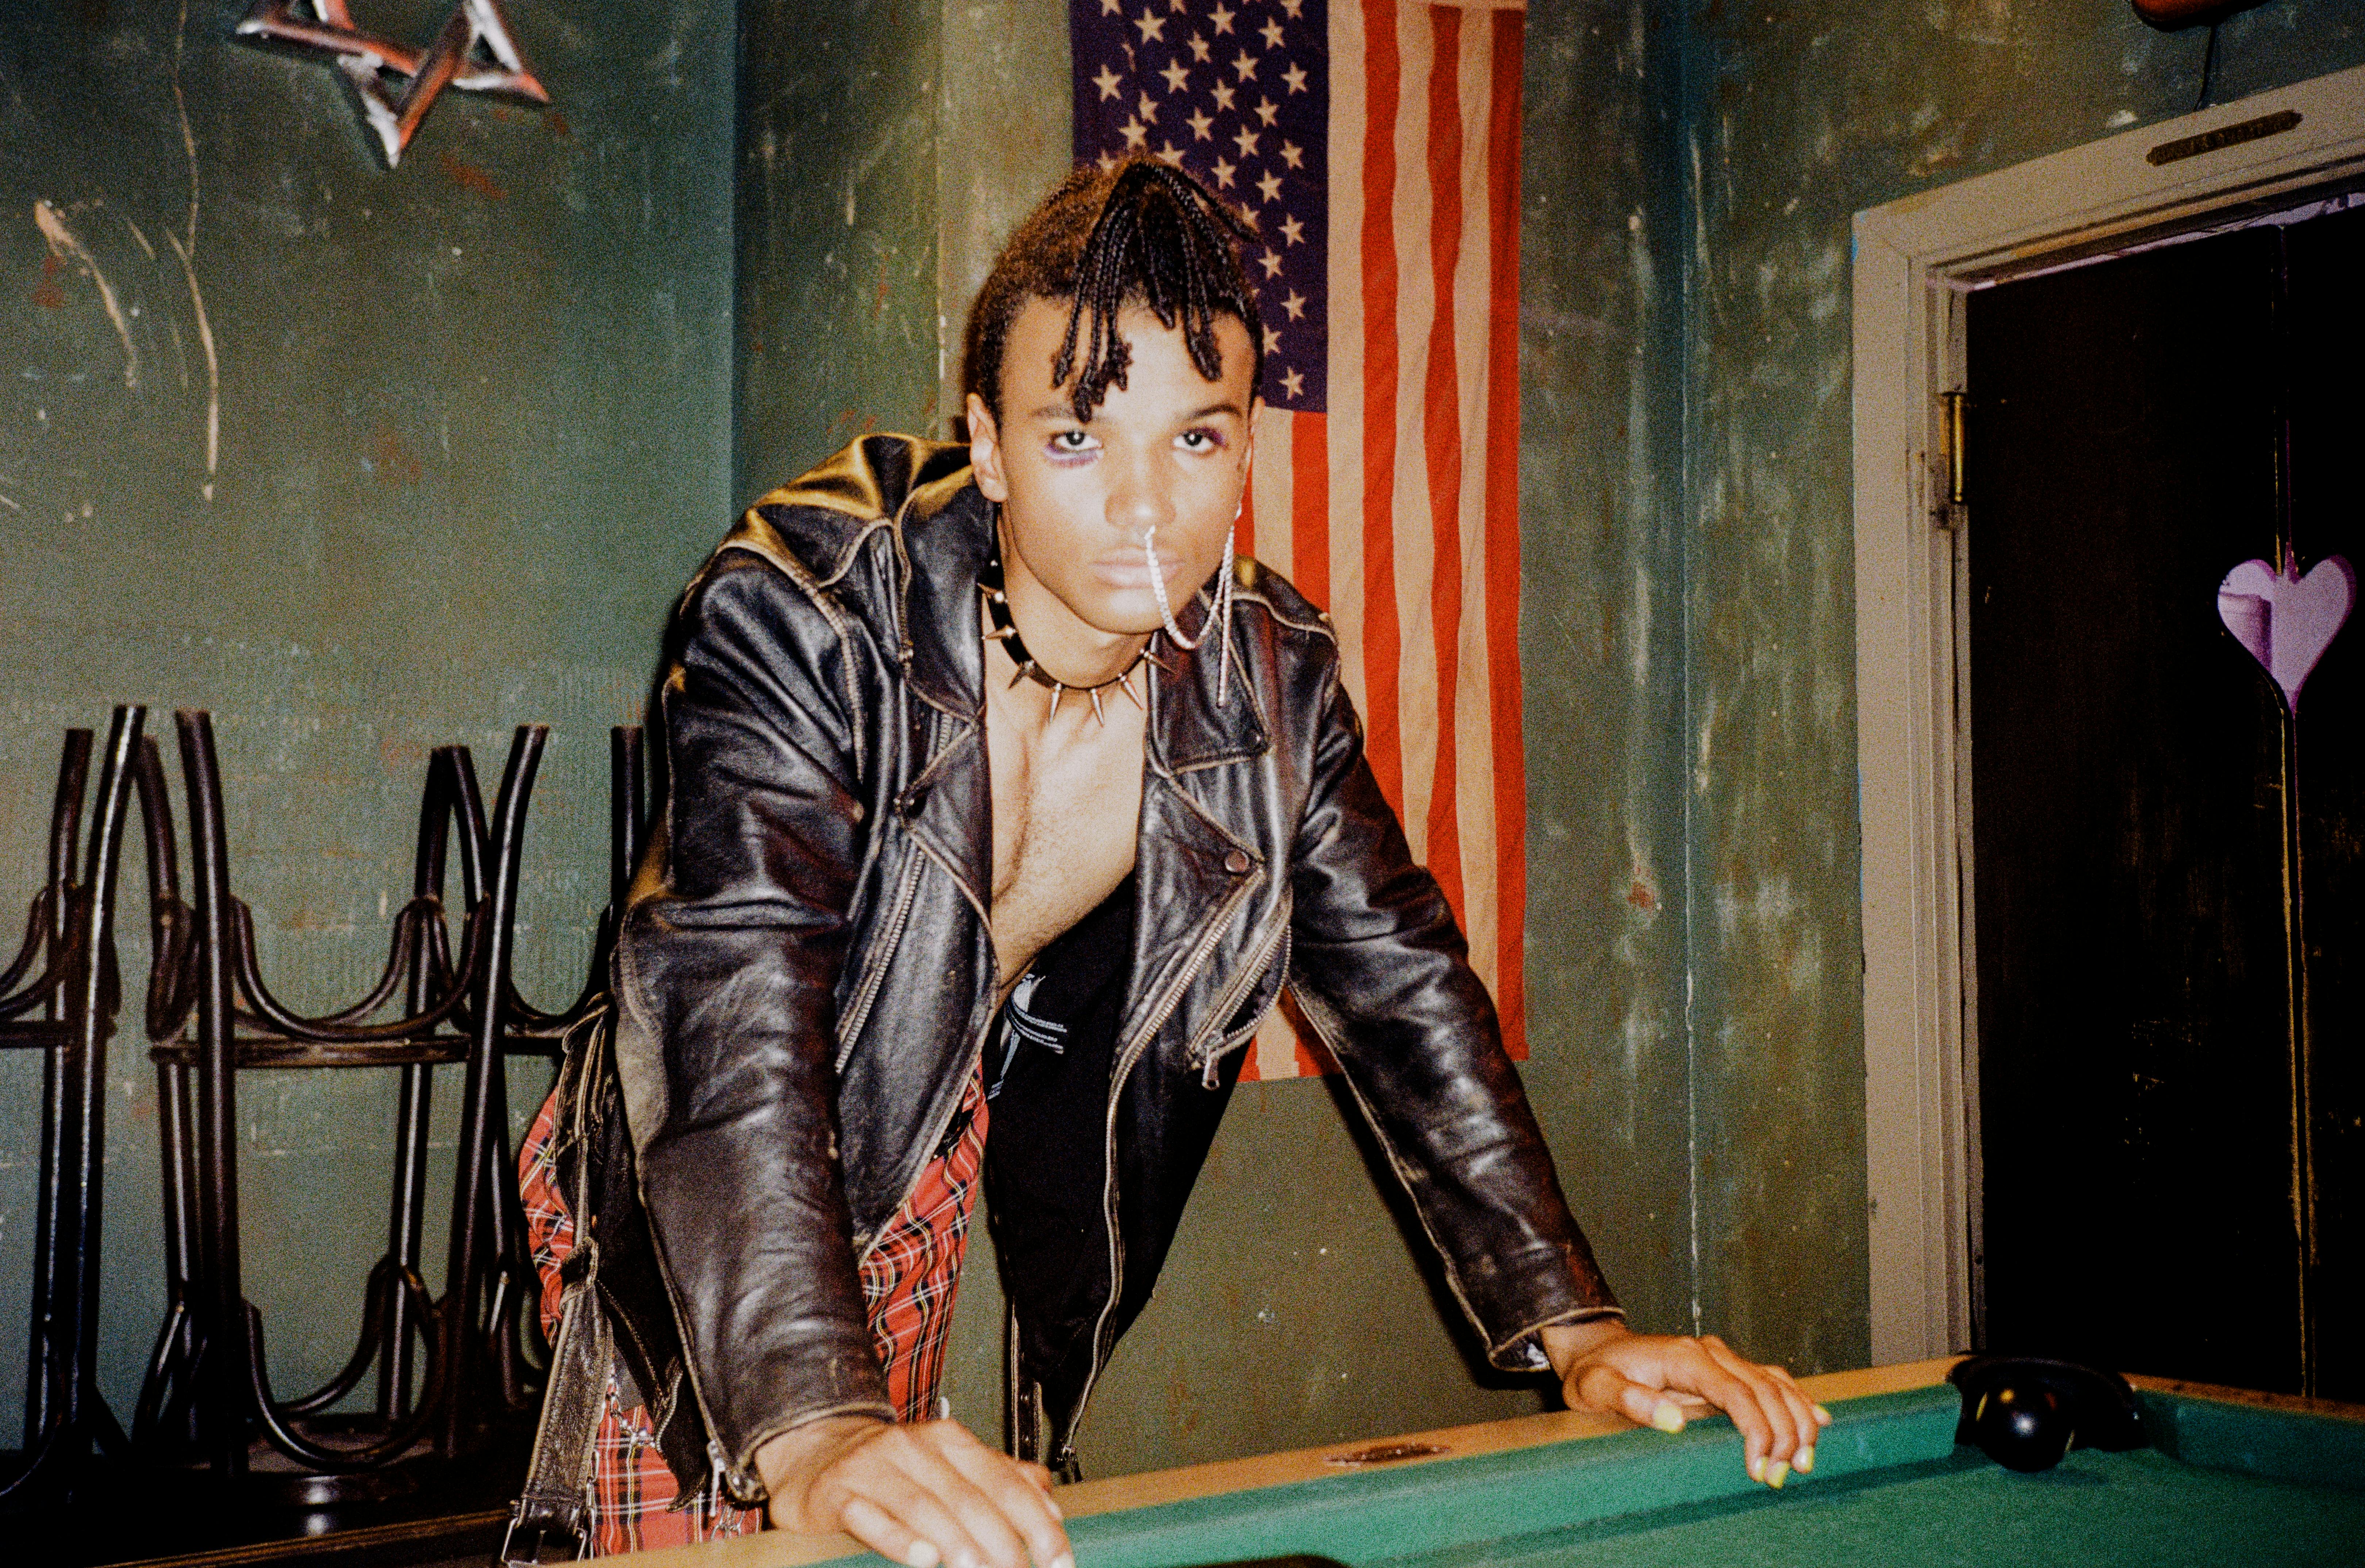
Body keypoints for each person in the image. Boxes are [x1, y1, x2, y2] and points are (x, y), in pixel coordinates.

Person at [512, 157, 1827, 1564]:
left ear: (1246, 447)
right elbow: (731, 997)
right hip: (690, 1164)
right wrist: (815, 1421)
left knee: (892, 1544)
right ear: (991, 442)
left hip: (927, 1151)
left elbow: (1406, 991)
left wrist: (1580, 1332)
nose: (1146, 508)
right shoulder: (811, 609)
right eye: (1080, 439)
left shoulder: (1271, 684)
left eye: (1196, 440)